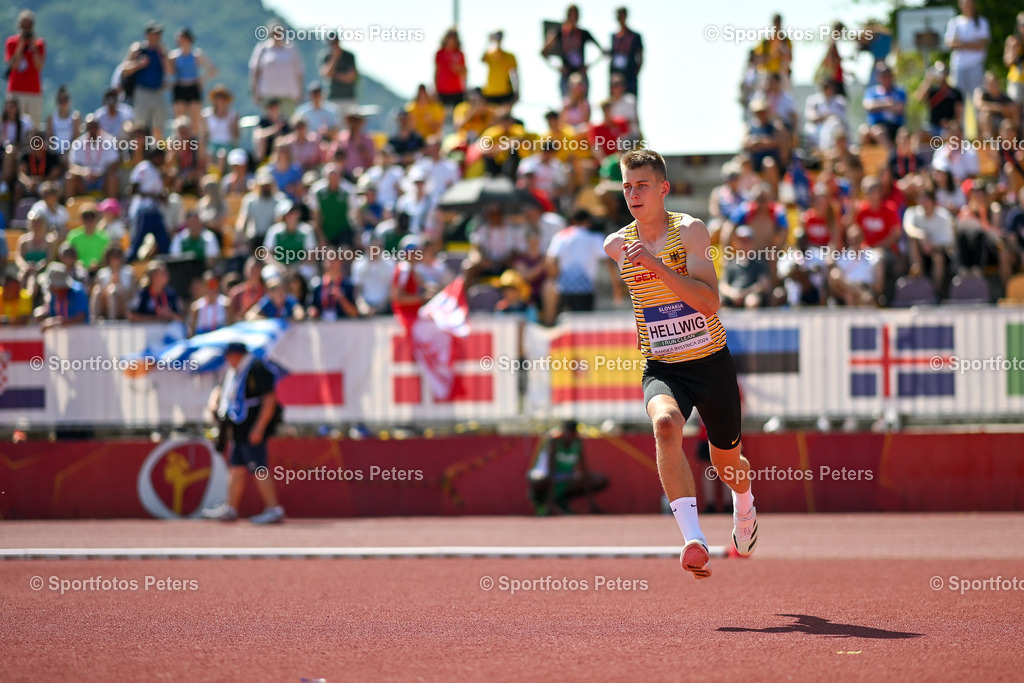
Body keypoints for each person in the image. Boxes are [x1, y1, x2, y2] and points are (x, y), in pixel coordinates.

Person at [603, 149, 757, 579]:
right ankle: (694, 540)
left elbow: (710, 303)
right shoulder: (615, 244)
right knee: (665, 424)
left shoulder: (689, 232)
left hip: (710, 364)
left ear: (663, 189)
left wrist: (655, 266)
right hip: (663, 366)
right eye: (627, 186)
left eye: (642, 186)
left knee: (728, 465)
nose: (633, 194)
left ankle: (744, 505)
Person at [203, 341, 285, 524]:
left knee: (259, 468)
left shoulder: (256, 368)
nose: (227, 360)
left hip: (252, 428)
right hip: (238, 428)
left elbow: (270, 400)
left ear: (237, 355)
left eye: (229, 356)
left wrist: (259, 427)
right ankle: (230, 508)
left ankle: (274, 508)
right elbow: (223, 391)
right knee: (236, 468)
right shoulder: (235, 372)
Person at [544, 209, 620, 323]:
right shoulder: (594, 238)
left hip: (564, 290)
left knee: (566, 327)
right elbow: (608, 262)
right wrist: (616, 287)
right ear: (588, 222)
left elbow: (550, 261)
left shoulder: (560, 237)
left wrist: (557, 278)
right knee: (583, 327)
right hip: (586, 290)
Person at [527, 420, 608, 515]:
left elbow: (584, 469)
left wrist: (592, 503)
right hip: (548, 476)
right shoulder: (554, 441)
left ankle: (562, 501)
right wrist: (550, 500)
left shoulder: (577, 443)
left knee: (599, 479)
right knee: (536, 480)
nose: (569, 436)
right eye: (567, 433)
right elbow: (551, 470)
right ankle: (543, 502)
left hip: (566, 477)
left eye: (572, 434)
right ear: (563, 432)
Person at [542, 5, 603, 98]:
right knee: (567, 104)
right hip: (566, 75)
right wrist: (557, 66)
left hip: (581, 73)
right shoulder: (559, 32)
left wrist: (589, 65)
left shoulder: (584, 33)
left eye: (575, 14)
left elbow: (602, 51)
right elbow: (543, 52)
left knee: (583, 105)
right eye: (571, 14)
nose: (573, 17)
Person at [904, 187, 955, 297]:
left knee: (938, 257)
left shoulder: (944, 216)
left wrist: (931, 246)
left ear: (933, 201)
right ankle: (918, 273)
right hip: (921, 254)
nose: (923, 203)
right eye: (921, 199)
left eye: (926, 200)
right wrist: (922, 236)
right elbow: (908, 229)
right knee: (912, 241)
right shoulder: (912, 212)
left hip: (940, 252)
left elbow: (948, 242)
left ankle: (935, 292)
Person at [122, 22, 170, 138]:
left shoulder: (162, 51)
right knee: (140, 124)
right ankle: (139, 149)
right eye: (154, 34)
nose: (157, 37)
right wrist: (139, 64)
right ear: (147, 34)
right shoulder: (138, 49)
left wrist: (163, 56)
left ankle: (158, 150)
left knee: (159, 125)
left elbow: (170, 71)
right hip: (142, 91)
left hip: (158, 92)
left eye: (159, 34)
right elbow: (125, 69)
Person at [249, 21, 304, 117]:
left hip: (288, 95)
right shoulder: (262, 48)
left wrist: (300, 92)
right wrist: (255, 92)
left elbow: (299, 72)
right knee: (270, 123)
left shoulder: (291, 49)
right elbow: (255, 71)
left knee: (288, 124)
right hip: (268, 94)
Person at [944, 0, 990, 113]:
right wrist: (971, 43)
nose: (967, 6)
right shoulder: (954, 22)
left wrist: (961, 43)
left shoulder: (981, 22)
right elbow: (949, 44)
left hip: (975, 65)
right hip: (958, 66)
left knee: (978, 100)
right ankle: (960, 130)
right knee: (959, 103)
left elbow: (981, 45)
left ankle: (980, 129)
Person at [168, 27, 217, 127]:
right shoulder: (174, 56)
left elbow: (213, 69)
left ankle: (195, 141)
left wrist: (202, 79)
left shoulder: (196, 54)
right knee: (180, 121)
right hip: (179, 87)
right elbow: (168, 72)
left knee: (196, 121)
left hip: (193, 87)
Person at [4, 10, 45, 125]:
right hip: (16, 90)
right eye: (24, 24)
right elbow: (14, 65)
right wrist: (20, 46)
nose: (26, 28)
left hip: (34, 91)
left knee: (34, 124)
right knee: (14, 123)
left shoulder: (39, 43)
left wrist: (34, 48)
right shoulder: (11, 42)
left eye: (29, 25)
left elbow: (39, 66)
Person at [913, 62, 963, 137]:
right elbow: (919, 98)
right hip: (932, 126)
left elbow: (959, 114)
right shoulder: (931, 91)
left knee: (949, 133)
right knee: (919, 134)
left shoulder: (955, 92)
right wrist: (928, 79)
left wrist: (950, 124)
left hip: (949, 127)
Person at [35, 262, 89, 329]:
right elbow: (53, 314)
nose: (49, 288)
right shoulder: (54, 294)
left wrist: (56, 322)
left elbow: (81, 317)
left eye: (51, 286)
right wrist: (44, 316)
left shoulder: (78, 291)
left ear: (58, 286)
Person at [862, 64, 906, 145]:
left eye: (887, 75)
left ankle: (892, 155)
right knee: (864, 131)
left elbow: (899, 108)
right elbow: (868, 106)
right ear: (878, 77)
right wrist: (888, 104)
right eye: (882, 75)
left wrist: (877, 105)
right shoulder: (871, 91)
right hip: (876, 125)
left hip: (894, 126)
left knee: (879, 132)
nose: (885, 78)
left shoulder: (899, 91)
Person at [321, 35, 358, 118]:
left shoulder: (349, 56)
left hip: (348, 97)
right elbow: (326, 74)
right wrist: (335, 57)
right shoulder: (326, 57)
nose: (333, 45)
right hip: (332, 98)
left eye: (335, 42)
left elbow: (350, 77)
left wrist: (334, 75)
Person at [609, 7, 643, 98]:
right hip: (615, 75)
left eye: (621, 15)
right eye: (618, 16)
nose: (620, 18)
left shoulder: (635, 36)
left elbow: (640, 56)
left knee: (631, 100)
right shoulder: (613, 36)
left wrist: (634, 73)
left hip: (629, 75)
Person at [481, 31, 518, 106]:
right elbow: (482, 59)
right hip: (490, 91)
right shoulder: (490, 54)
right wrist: (489, 41)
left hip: (505, 91)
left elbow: (515, 75)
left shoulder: (510, 56)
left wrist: (517, 91)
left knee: (504, 116)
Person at [434, 28, 466, 111]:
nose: (451, 39)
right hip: (442, 89)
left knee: (458, 112)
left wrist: (458, 69)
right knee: (441, 113)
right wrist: (435, 88)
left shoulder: (460, 53)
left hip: (457, 89)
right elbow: (436, 72)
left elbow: (465, 72)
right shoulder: (440, 53)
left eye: (454, 37)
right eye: (450, 36)